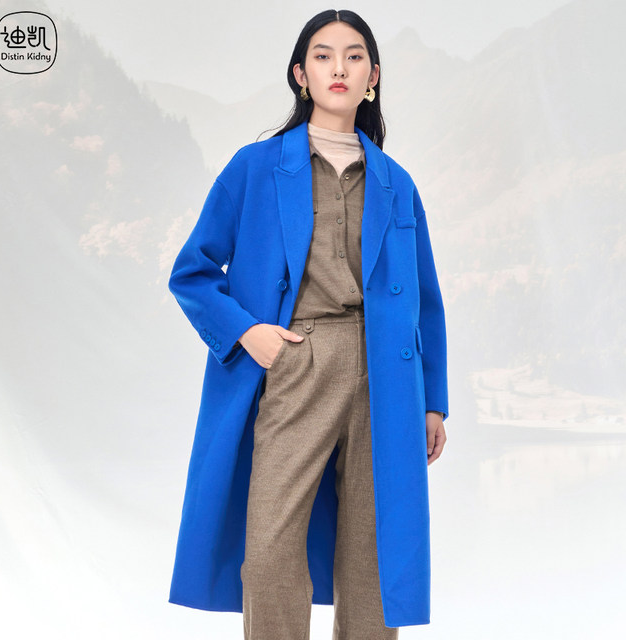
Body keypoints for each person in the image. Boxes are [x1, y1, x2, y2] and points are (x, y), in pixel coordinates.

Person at [167, 9, 449, 640]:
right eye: (322, 56)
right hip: (297, 358)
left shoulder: (397, 183)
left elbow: (426, 299)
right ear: (300, 74)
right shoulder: (255, 166)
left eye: (354, 56)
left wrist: (434, 402)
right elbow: (193, 271)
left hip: (387, 374)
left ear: (373, 76)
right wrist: (249, 333)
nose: (338, 67)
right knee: (269, 545)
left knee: (373, 550)